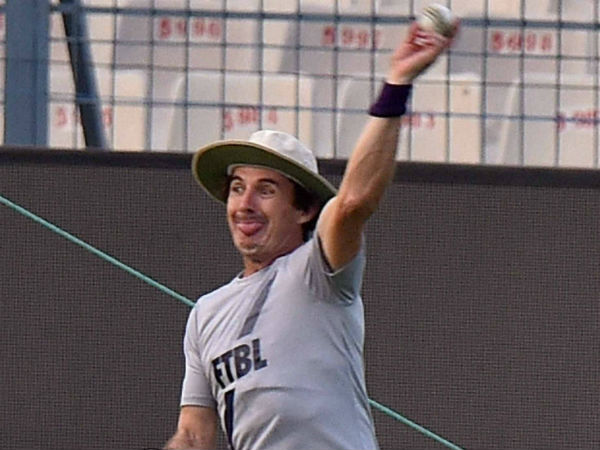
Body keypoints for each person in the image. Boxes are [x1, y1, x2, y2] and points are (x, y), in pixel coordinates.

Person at [164, 19, 457, 450]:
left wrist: (397, 83)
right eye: (238, 188)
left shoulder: (318, 271)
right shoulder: (205, 314)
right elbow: (193, 435)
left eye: (266, 190)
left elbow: (354, 202)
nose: (245, 204)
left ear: (304, 210)